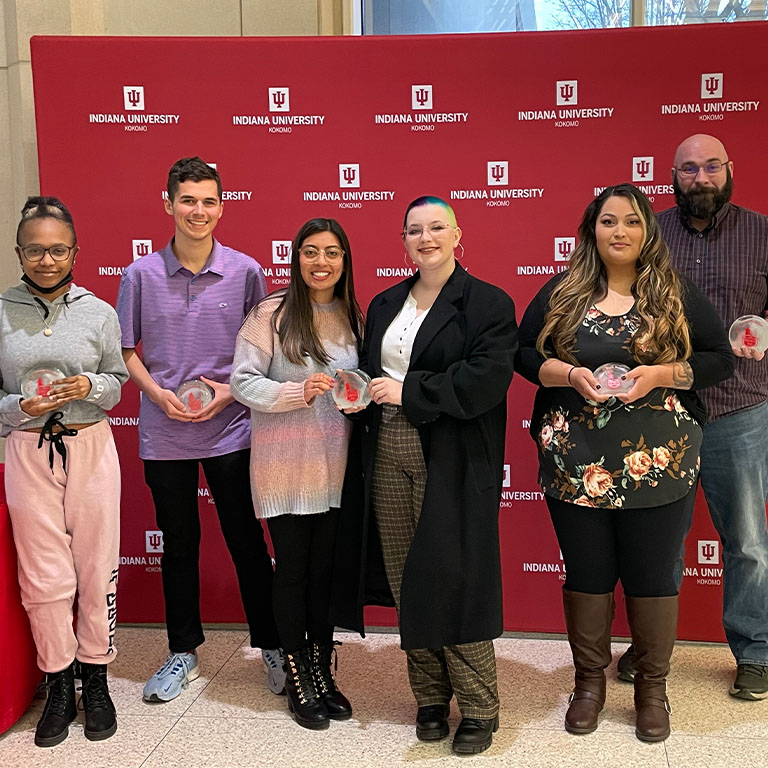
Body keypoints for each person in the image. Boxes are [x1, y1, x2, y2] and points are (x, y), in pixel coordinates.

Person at [516, 183, 734, 742]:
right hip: (574, 463)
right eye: (609, 221)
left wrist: (662, 374)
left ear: (647, 231)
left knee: (654, 577)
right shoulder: (563, 292)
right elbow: (522, 355)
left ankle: (652, 691)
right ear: (593, 229)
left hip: (660, 461)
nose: (620, 232)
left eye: (631, 222)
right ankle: (588, 684)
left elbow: (717, 359)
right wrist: (569, 374)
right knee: (587, 575)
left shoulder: (673, 292)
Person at [332, 196, 517, 755]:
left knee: (454, 575)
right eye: (415, 230)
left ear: (458, 233)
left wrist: (411, 391)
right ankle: (430, 698)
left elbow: (485, 379)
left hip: (454, 453)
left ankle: (481, 707)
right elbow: (371, 369)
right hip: (385, 444)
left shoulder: (487, 302)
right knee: (403, 571)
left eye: (437, 227)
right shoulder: (387, 301)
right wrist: (354, 390)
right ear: (403, 239)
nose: (426, 237)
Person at [115, 157, 282, 703]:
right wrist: (156, 393)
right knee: (179, 546)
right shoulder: (140, 274)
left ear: (221, 206)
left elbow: (266, 351)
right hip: (165, 435)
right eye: (188, 200)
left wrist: (232, 393)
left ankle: (273, 645)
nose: (199, 211)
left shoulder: (246, 271)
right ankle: (182, 650)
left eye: (209, 200)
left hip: (231, 429)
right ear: (168, 204)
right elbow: (124, 351)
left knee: (246, 541)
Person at [618, 135, 768, 700]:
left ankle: (756, 652)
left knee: (749, 541)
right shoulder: (647, 234)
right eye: (688, 169)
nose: (700, 177)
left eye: (710, 167)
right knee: (658, 541)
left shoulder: (762, 232)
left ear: (729, 170)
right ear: (672, 176)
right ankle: (652, 648)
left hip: (741, 407)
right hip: (663, 410)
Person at [0, 197, 128, 746]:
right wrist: (14, 409)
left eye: (58, 249)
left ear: (75, 250)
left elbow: (118, 380)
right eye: (35, 250)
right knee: (44, 577)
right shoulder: (1, 310)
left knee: (96, 568)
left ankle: (95, 679)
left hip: (92, 447)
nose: (47, 260)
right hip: (28, 450)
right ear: (19, 252)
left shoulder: (98, 311)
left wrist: (93, 388)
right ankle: (57, 683)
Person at [230, 218, 364, 730]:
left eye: (332, 253)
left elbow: (358, 383)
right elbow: (242, 381)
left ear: (344, 260)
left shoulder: (354, 314)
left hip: (335, 467)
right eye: (311, 252)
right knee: (293, 570)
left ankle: (322, 669)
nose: (321, 262)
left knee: (324, 573)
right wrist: (294, 392)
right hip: (284, 466)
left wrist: (357, 399)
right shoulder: (272, 313)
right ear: (296, 258)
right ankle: (296, 672)